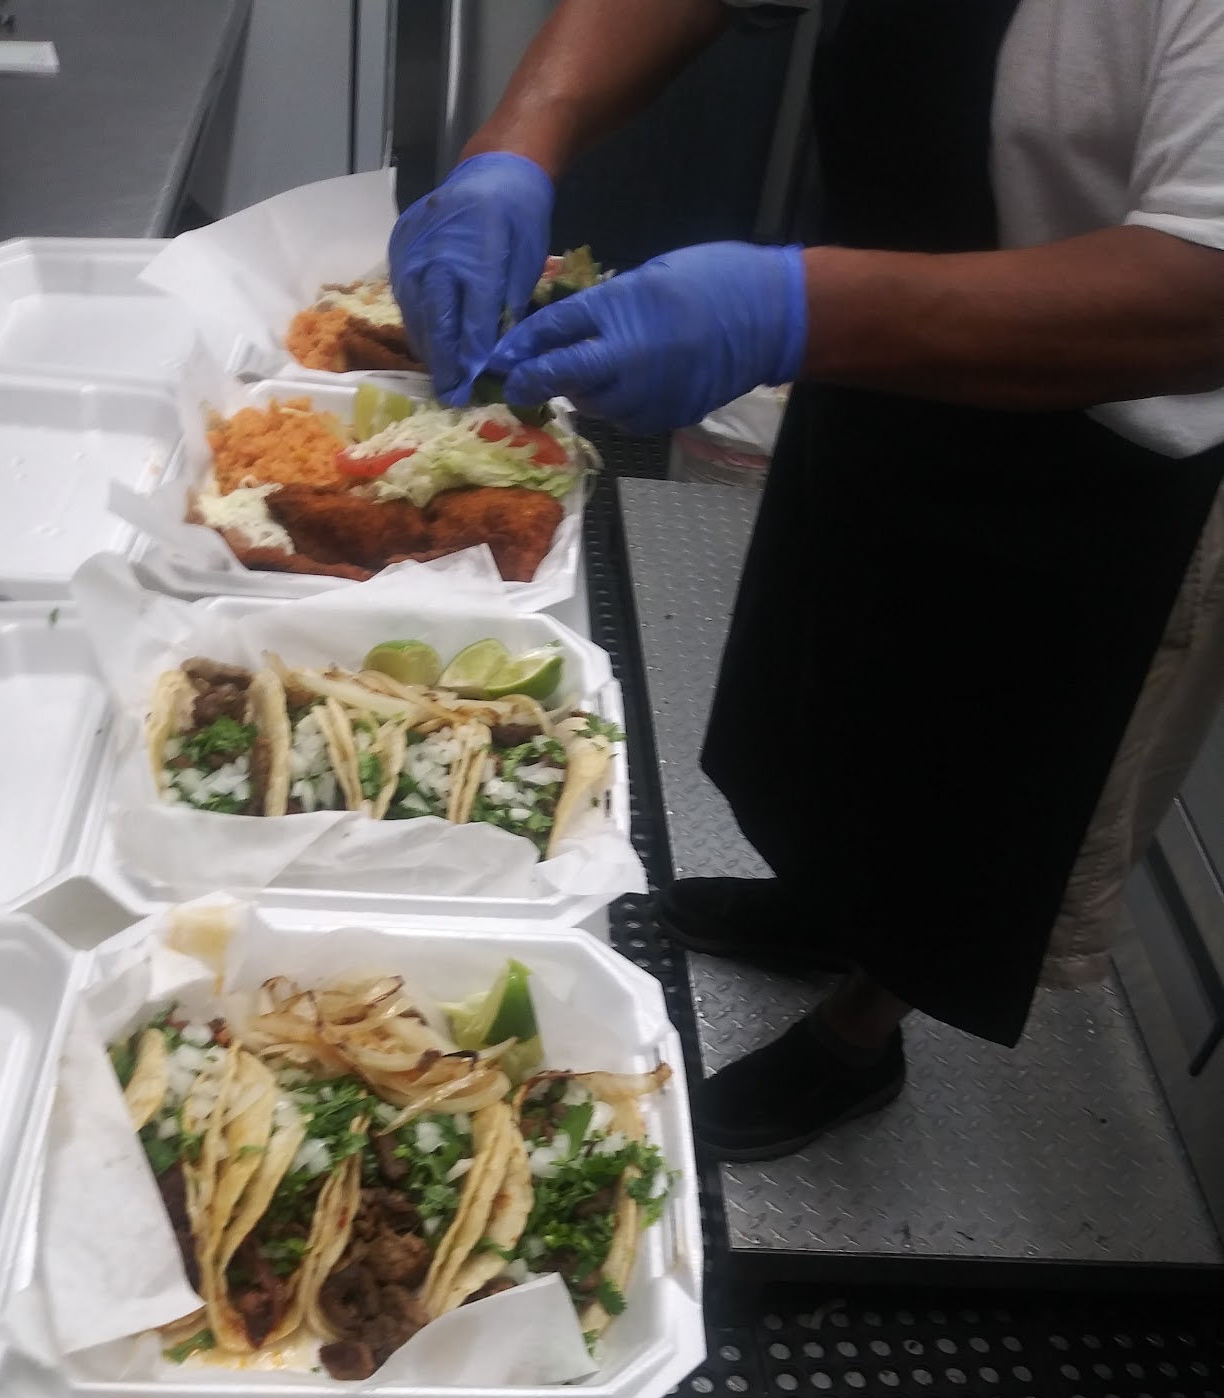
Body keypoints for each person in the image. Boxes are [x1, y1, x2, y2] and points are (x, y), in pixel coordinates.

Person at [388, 0, 1224, 1160]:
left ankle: (863, 1026)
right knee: (843, 671)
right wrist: (520, 140)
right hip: (877, 362)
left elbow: (1201, 287)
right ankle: (833, 904)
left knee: (992, 771)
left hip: (1103, 451)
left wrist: (788, 307)